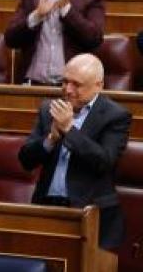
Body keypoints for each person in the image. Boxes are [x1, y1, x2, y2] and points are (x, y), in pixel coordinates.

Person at [22, 54, 131, 250]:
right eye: (65, 82)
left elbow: (104, 161)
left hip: (91, 212)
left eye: (77, 85)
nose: (68, 90)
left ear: (98, 85)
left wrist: (69, 130)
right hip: (47, 207)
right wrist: (51, 139)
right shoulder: (49, 109)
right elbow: (25, 160)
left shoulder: (115, 116)